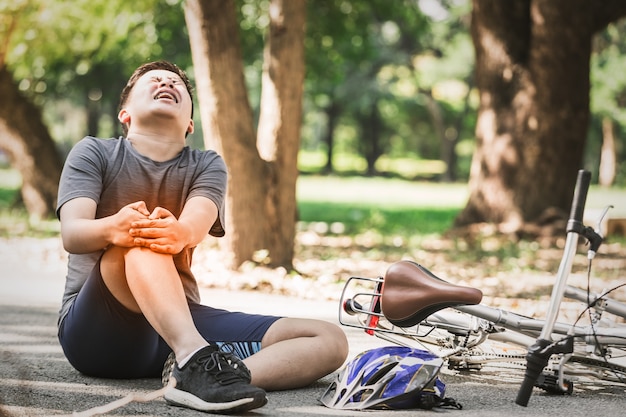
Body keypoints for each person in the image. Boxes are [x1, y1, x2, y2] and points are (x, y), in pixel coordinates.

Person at [56, 60, 348, 414]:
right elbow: (73, 234)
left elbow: (194, 224)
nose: (166, 83)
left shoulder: (206, 164)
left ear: (190, 122)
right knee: (141, 237)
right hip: (96, 332)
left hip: (175, 331)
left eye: (176, 83)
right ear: (125, 113)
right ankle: (194, 356)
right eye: (154, 80)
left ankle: (207, 377)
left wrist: (178, 232)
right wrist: (116, 227)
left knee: (329, 340)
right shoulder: (94, 152)